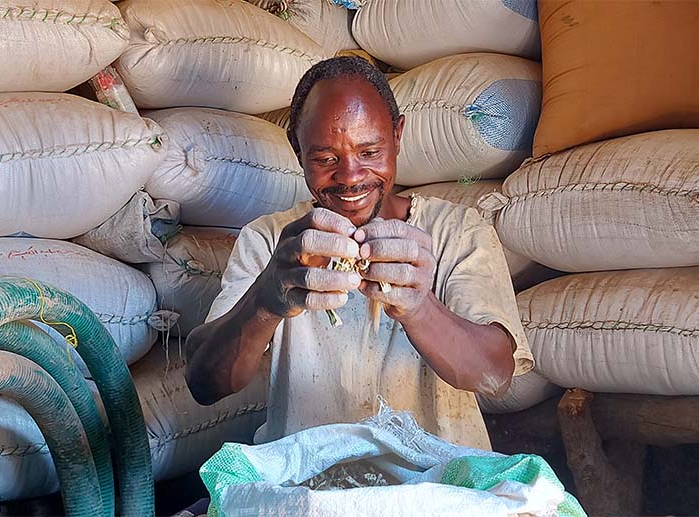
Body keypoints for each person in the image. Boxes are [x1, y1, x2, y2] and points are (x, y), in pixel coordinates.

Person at [184, 56, 533, 450]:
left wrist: (419, 308)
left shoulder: (457, 232)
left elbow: (494, 376)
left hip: (436, 485)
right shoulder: (271, 242)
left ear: (397, 136)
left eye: (369, 153)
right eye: (325, 159)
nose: (350, 177)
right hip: (314, 490)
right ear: (297, 149)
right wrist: (265, 301)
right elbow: (204, 383)